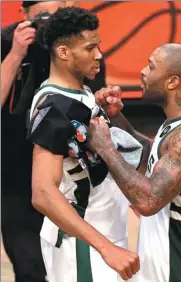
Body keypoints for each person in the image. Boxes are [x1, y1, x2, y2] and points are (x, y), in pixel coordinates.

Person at [88, 43, 181, 282]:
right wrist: (116, 118)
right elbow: (154, 158)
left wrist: (106, 148)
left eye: (151, 66)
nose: (143, 71)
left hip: (180, 270)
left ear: (172, 82)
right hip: (167, 267)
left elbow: (148, 201)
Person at [28, 7, 140, 282]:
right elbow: (42, 192)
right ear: (64, 52)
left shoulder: (81, 92)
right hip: (82, 245)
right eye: (90, 48)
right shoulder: (54, 105)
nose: (99, 54)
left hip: (101, 235)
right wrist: (104, 247)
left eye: (98, 45)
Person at [1, 1, 107, 282]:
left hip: (69, 180)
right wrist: (15, 53)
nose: (49, 22)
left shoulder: (79, 46)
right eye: (42, 16)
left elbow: (92, 106)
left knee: (64, 267)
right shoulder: (5, 41)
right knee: (29, 268)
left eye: (56, 14)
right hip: (14, 175)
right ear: (23, 15)